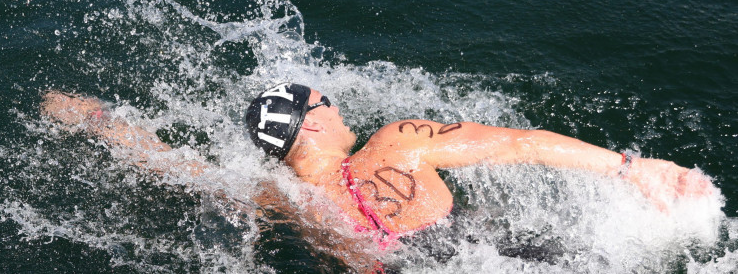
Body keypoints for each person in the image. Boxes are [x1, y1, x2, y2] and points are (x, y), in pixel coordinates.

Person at [41, 82, 715, 266]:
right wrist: (631, 165)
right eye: (324, 100)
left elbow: (164, 162)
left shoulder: (276, 194)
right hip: (489, 255)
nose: (337, 102)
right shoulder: (396, 143)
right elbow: (517, 143)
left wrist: (93, 118)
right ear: (311, 124)